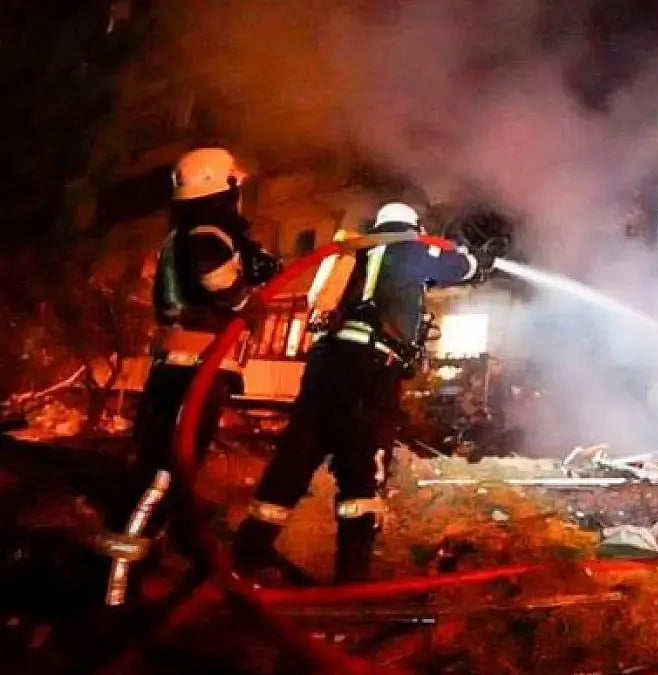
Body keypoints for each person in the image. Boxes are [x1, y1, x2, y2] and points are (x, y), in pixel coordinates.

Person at [232, 201, 493, 583]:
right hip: (370, 371)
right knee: (362, 473)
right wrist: (473, 256)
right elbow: (462, 268)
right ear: (413, 228)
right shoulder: (410, 249)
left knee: (297, 457)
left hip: (325, 363)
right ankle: (351, 581)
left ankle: (248, 553)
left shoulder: (355, 253)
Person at [95, 146, 280, 607]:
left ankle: (154, 556)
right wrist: (244, 301)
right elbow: (213, 273)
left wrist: (254, 263)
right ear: (225, 187)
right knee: (163, 473)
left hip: (184, 368)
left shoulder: (194, 231)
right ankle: (115, 589)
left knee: (168, 470)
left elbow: (233, 265)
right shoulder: (206, 232)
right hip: (194, 370)